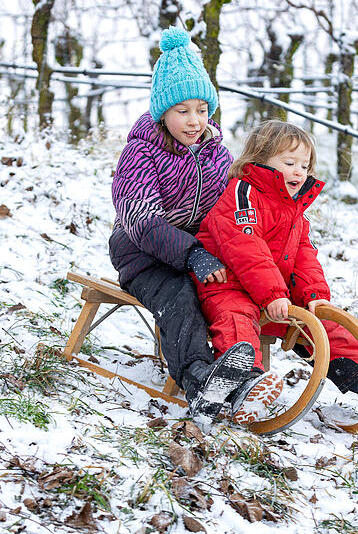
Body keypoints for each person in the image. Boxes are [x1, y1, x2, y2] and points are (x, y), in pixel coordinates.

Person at [195, 120, 358, 423]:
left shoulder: (293, 209)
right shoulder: (242, 194)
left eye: (304, 166)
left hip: (274, 296)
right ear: (260, 160)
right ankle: (244, 384)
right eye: (289, 163)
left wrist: (314, 294)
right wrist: (273, 294)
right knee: (237, 321)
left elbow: (304, 255)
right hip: (228, 287)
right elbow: (246, 248)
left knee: (326, 326)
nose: (299, 172)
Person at [109, 26, 284, 424]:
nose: (194, 121)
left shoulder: (216, 154)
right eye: (182, 111)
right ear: (163, 112)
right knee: (181, 298)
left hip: (201, 252)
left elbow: (233, 206)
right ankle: (200, 381)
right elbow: (140, 219)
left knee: (230, 295)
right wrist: (192, 254)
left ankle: (241, 376)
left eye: (202, 110)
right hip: (143, 255)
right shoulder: (141, 152)